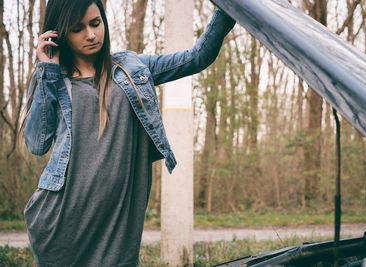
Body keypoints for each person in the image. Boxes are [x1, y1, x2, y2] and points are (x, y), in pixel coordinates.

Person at [20, 0, 235, 266]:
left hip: (118, 223)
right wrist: (47, 70)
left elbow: (196, 58)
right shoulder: (52, 78)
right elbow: (37, 144)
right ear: (60, 34)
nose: (91, 34)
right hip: (63, 221)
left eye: (95, 23)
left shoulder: (132, 68)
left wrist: (232, 8)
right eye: (78, 28)